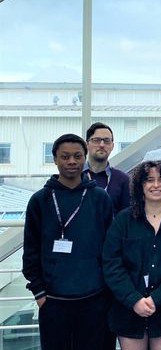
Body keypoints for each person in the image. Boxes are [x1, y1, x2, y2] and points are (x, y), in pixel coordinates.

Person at [22, 133, 113, 350]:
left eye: (77, 156)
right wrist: (40, 293)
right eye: (65, 157)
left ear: (84, 158)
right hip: (53, 302)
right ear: (54, 159)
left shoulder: (100, 198)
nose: (71, 161)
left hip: (95, 299)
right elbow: (31, 251)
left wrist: (107, 292)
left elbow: (111, 249)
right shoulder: (40, 200)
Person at [103, 160, 161, 350]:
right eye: (149, 180)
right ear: (140, 186)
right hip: (128, 311)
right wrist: (134, 299)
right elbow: (112, 264)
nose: (156, 185)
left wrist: (156, 298)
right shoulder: (123, 220)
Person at [84, 122, 130, 215]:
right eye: (96, 140)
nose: (101, 145)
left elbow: (127, 219)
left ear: (112, 146)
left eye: (106, 140)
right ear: (86, 144)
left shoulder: (123, 180)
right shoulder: (75, 177)